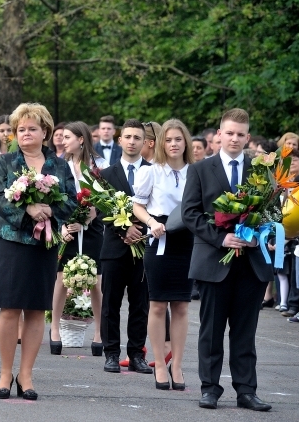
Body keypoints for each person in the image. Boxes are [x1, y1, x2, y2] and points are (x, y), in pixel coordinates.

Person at [182, 108, 273, 411]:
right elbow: (190, 213)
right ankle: (210, 388)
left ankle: (247, 390)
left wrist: (259, 233)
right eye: (229, 133)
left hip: (251, 263)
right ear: (218, 135)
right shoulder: (199, 169)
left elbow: (270, 211)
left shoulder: (260, 171)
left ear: (248, 137)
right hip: (213, 261)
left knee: (245, 331)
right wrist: (221, 238)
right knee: (211, 330)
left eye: (240, 134)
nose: (234, 138)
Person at [0, 103, 77, 400]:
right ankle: (4, 372)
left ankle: (26, 375)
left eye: (32, 128)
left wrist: (49, 209)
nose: (26, 133)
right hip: (11, 242)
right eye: (21, 129)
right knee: (9, 309)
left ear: (45, 132)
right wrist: (28, 209)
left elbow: (71, 203)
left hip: (44, 245)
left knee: (36, 310)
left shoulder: (61, 166)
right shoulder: (5, 162)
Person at [132, 119, 195, 391]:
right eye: (168, 140)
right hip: (160, 240)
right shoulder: (152, 172)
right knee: (157, 305)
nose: (173, 144)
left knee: (181, 306)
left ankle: (177, 365)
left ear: (185, 143)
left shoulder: (196, 171)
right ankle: (159, 363)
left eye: (178, 140)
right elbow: (137, 205)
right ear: (160, 143)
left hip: (188, 242)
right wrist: (151, 223)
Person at [99, 119, 152, 374]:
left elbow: (160, 208)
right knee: (111, 303)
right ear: (120, 140)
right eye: (128, 137)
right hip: (114, 247)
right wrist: (124, 229)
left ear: (145, 142)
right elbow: (100, 210)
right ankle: (111, 353)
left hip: (144, 245)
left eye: (137, 138)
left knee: (140, 304)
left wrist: (141, 230)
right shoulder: (106, 174)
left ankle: (136, 353)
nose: (132, 141)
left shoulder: (154, 171)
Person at [51, 122, 105, 356]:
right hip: (68, 227)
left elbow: (108, 198)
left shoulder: (99, 166)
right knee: (62, 278)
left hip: (92, 230)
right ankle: (54, 329)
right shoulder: (59, 166)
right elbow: (54, 198)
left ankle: (100, 333)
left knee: (96, 280)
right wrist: (62, 225)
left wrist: (95, 212)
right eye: (61, 137)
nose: (63, 141)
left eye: (68, 137)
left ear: (81, 139)